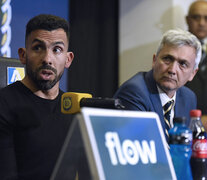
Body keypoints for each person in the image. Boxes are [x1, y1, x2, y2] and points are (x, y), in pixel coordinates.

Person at [0, 14, 88, 180]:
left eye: (57, 50)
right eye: (38, 48)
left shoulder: (74, 108)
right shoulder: (4, 105)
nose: (47, 59)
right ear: (23, 55)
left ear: (68, 59)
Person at [114, 28, 201, 142]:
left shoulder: (188, 98)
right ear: (154, 61)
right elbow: (143, 147)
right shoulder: (134, 92)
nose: (172, 70)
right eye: (167, 59)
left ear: (192, 74)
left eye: (183, 64)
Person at [185, 1, 207, 117]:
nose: (202, 23)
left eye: (206, 18)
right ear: (187, 20)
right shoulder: (176, 48)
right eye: (196, 17)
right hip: (185, 120)